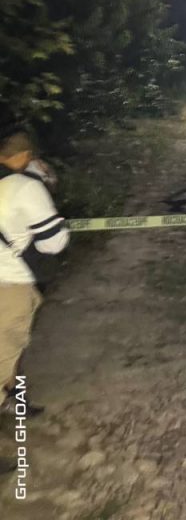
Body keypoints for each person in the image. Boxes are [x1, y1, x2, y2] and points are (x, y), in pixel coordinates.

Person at [0, 128, 70, 416]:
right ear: (26, 154)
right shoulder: (25, 186)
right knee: (8, 350)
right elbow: (54, 242)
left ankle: (15, 400)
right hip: (11, 283)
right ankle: (12, 399)